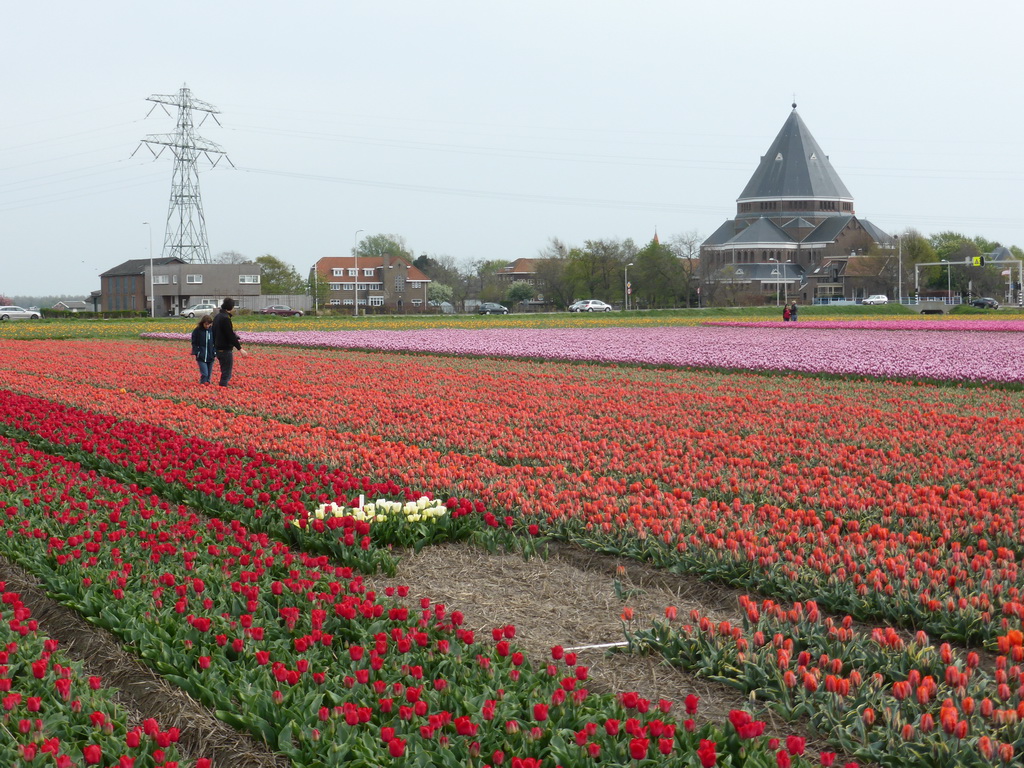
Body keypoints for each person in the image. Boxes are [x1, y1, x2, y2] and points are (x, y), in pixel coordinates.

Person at [211, 298, 247, 387]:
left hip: (218, 348)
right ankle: (222, 391)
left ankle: (222, 389)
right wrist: (240, 349)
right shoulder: (225, 318)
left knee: (225, 372)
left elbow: (216, 332)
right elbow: (229, 335)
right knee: (226, 374)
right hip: (225, 349)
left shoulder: (217, 317)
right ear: (231, 307)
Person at [190, 314, 215, 384]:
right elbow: (194, 342)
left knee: (209, 375)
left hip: (211, 355)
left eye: (209, 324)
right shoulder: (197, 330)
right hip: (201, 355)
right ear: (202, 323)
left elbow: (217, 342)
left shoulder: (213, 330)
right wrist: (197, 352)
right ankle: (203, 385)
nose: (207, 326)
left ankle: (207, 386)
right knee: (205, 374)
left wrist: (214, 352)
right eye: (206, 324)